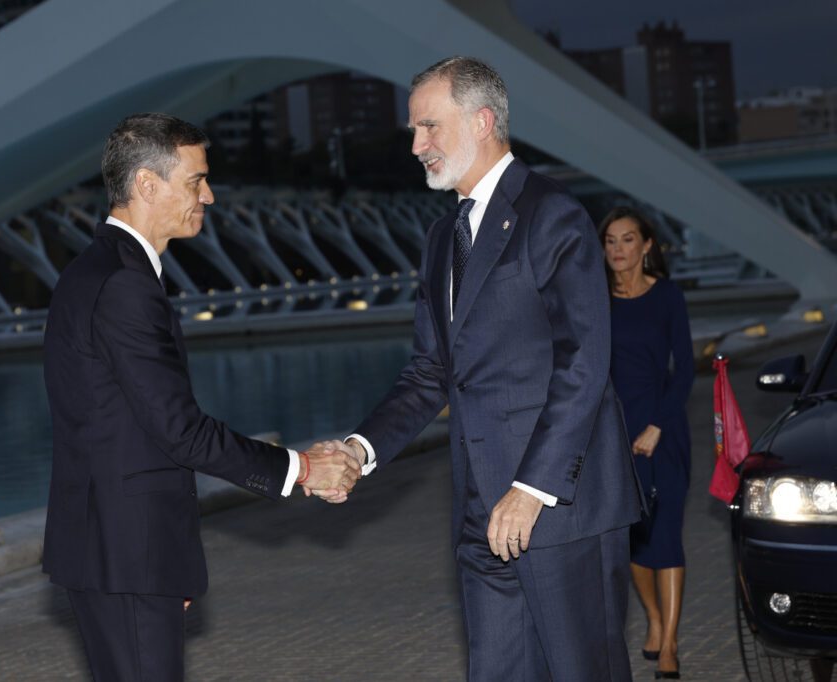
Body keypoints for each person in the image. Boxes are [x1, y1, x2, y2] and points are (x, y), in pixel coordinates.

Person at [318, 57, 642, 680]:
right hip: (479, 512)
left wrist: (530, 489)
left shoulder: (554, 215)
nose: (417, 145)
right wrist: (360, 451)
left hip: (557, 510)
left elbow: (585, 363)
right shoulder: (444, 238)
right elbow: (428, 374)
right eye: (415, 131)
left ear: (483, 120)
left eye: (429, 127)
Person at [41, 113, 362, 682]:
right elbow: (180, 430)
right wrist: (303, 468)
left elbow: (124, 429)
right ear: (146, 184)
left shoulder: (98, 270)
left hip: (120, 552)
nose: (208, 196)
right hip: (129, 557)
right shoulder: (124, 284)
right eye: (195, 180)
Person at [600, 206, 694, 679]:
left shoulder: (668, 296)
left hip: (666, 429)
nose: (618, 250)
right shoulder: (598, 301)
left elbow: (687, 369)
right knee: (634, 541)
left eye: (628, 240)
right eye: (611, 241)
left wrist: (658, 425)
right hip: (617, 435)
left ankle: (671, 643)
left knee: (668, 537)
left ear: (647, 246)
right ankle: (655, 621)